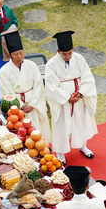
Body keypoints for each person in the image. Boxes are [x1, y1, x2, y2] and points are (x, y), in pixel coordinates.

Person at [44, 31, 98, 160]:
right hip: (62, 101)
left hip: (79, 97)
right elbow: (51, 86)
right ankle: (61, 153)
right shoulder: (51, 64)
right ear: (58, 51)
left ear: (73, 49)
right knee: (62, 124)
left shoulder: (79, 59)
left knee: (81, 121)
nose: (67, 57)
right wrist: (67, 97)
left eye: (69, 53)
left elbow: (88, 78)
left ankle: (83, 146)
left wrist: (80, 94)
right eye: (64, 54)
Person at [0, 31, 52, 143]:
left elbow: (38, 86)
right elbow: (5, 92)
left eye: (21, 53)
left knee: (36, 131)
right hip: (17, 109)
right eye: (15, 54)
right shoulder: (3, 71)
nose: (19, 56)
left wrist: (32, 103)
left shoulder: (32, 66)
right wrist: (21, 105)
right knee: (20, 135)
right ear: (10, 55)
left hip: (33, 105)